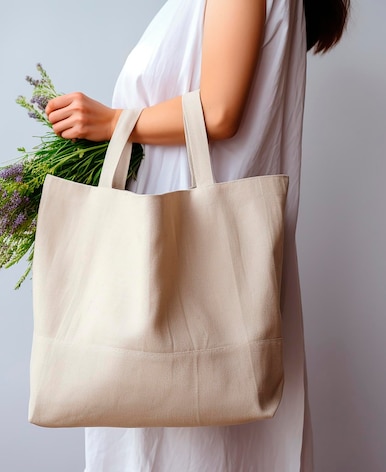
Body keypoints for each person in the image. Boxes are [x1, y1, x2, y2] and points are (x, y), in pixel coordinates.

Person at [45, 0, 349, 470]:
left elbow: (219, 111)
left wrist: (113, 123)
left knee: (187, 442)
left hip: (186, 277)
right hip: (200, 272)